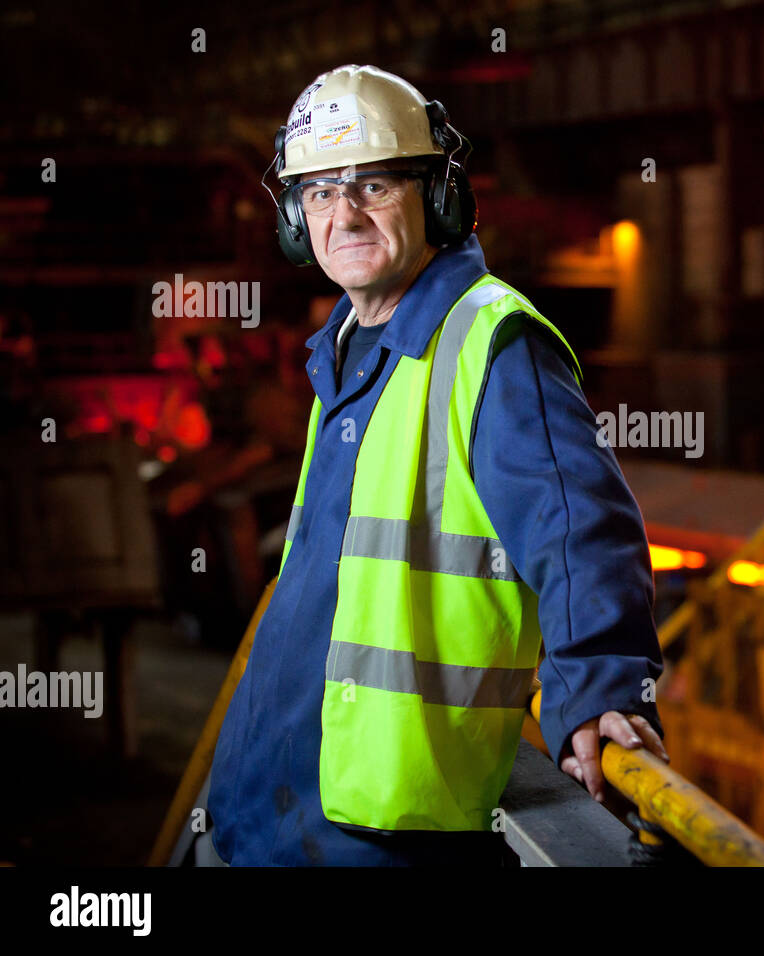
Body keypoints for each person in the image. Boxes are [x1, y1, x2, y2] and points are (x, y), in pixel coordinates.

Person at [207, 64, 668, 865]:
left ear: (437, 198)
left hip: (389, 830)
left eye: (373, 186)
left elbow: (581, 535)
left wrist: (601, 693)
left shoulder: (492, 347)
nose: (343, 214)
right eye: (319, 193)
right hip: (273, 802)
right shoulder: (347, 350)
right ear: (294, 219)